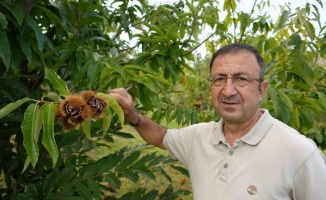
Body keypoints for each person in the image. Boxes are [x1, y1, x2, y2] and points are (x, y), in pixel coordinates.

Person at [110, 43, 326, 200]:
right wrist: (133, 116)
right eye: (219, 79)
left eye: (242, 79)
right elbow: (162, 136)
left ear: (261, 90)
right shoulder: (199, 137)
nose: (228, 90)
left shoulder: (300, 153)